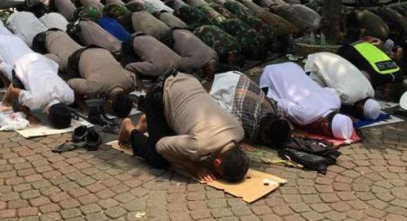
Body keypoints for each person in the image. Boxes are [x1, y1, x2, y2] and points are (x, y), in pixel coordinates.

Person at [118, 72, 249, 183]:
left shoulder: (239, 132)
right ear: (217, 163)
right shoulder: (198, 145)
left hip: (189, 80)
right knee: (157, 158)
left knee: (180, 140)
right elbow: (161, 146)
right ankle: (129, 128)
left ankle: (149, 122)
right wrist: (192, 167)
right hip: (160, 92)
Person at [259, 62, 354, 140]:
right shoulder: (304, 116)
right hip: (270, 74)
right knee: (270, 100)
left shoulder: (336, 101)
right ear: (325, 125)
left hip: (294, 66)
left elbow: (330, 90)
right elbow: (280, 104)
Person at [209, 71, 291, 147]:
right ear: (265, 132)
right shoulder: (250, 126)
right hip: (224, 89)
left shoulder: (271, 111)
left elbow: (277, 107)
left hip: (237, 77)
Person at [304, 53, 381, 121]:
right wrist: (341, 114)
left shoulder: (371, 91)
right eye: (360, 114)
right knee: (316, 101)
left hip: (331, 57)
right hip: (316, 62)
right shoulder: (348, 96)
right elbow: (325, 94)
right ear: (360, 108)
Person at [67, 46, 136, 117]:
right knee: (73, 101)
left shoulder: (130, 82)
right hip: (79, 55)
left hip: (103, 50)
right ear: (109, 103)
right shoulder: (93, 87)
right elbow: (70, 83)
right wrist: (83, 106)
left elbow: (133, 75)